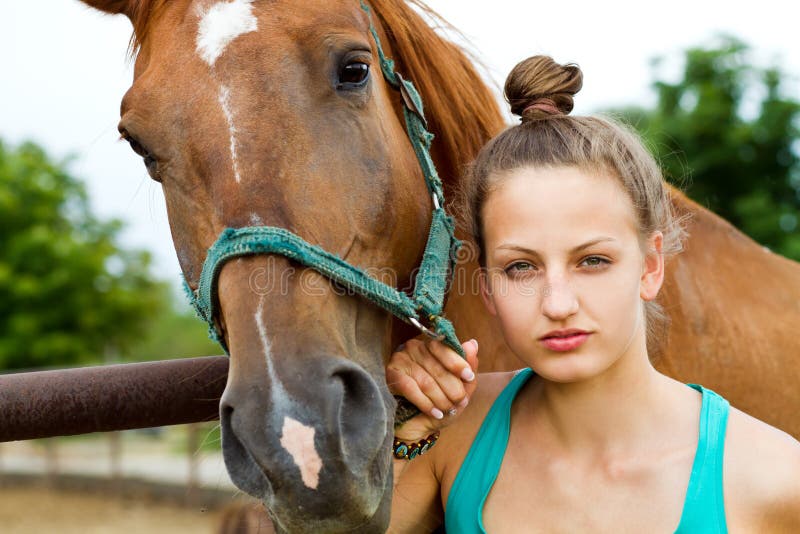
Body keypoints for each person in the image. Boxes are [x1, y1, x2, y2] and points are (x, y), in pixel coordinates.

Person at [385, 55, 800, 532]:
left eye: (592, 261)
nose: (558, 305)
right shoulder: (449, 434)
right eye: (521, 267)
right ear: (487, 289)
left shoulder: (773, 479)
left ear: (650, 267)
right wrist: (405, 436)